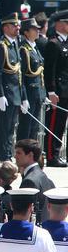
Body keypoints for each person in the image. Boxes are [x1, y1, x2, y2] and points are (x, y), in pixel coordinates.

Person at [0, 13, 28, 161]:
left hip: (15, 94)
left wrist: (24, 97)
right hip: (6, 94)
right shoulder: (2, 46)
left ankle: (7, 153)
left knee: (10, 128)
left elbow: (19, 75)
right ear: (5, 27)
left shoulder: (15, 45)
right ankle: (3, 156)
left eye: (18, 25)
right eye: (14, 25)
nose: (17, 28)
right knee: (4, 128)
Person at [43, 11, 68, 167]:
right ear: (59, 24)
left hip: (66, 89)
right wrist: (51, 91)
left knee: (63, 124)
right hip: (58, 91)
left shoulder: (65, 43)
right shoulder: (53, 43)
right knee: (55, 124)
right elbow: (50, 70)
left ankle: (59, 154)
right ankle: (52, 156)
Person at [19, 18, 48, 141]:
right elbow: (22, 76)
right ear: (26, 32)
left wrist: (43, 93)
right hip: (29, 93)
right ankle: (22, 152)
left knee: (34, 127)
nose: (38, 31)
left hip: (37, 93)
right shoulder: (24, 50)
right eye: (34, 29)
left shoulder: (34, 48)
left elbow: (40, 73)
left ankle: (30, 153)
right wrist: (24, 97)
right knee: (26, 126)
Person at [17, 139, 55, 223]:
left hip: (33, 230)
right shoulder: (45, 177)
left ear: (30, 155)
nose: (15, 156)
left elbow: (24, 213)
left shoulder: (29, 181)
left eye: (19, 153)